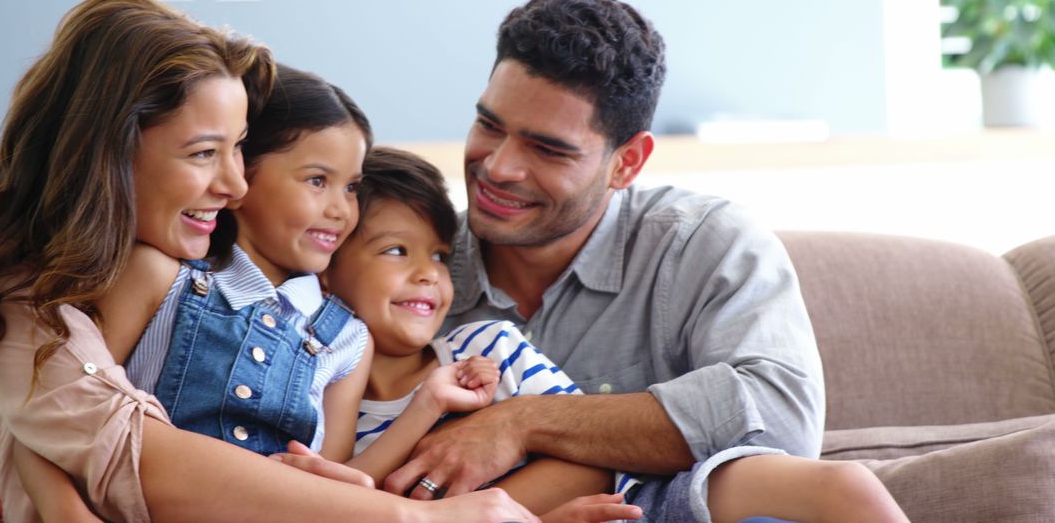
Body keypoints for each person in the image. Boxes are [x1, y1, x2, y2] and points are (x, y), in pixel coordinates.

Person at [0, 0, 536, 522]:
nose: (234, 184)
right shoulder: (29, 276)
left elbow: (59, 427)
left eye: (238, 147)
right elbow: (113, 444)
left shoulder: (342, 336)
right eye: (203, 153)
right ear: (108, 150)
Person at [379, 0, 833, 521]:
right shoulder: (396, 274)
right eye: (489, 125)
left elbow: (781, 417)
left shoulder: (703, 244)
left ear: (627, 163)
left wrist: (522, 421)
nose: (498, 167)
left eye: (547, 148)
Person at [318, 146, 907, 523]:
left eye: (443, 256)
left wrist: (514, 428)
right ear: (325, 263)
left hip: (642, 497)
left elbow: (595, 458)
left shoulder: (486, 347)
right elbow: (339, 496)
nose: (429, 272)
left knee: (846, 488)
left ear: (623, 161)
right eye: (396, 251)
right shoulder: (316, 382)